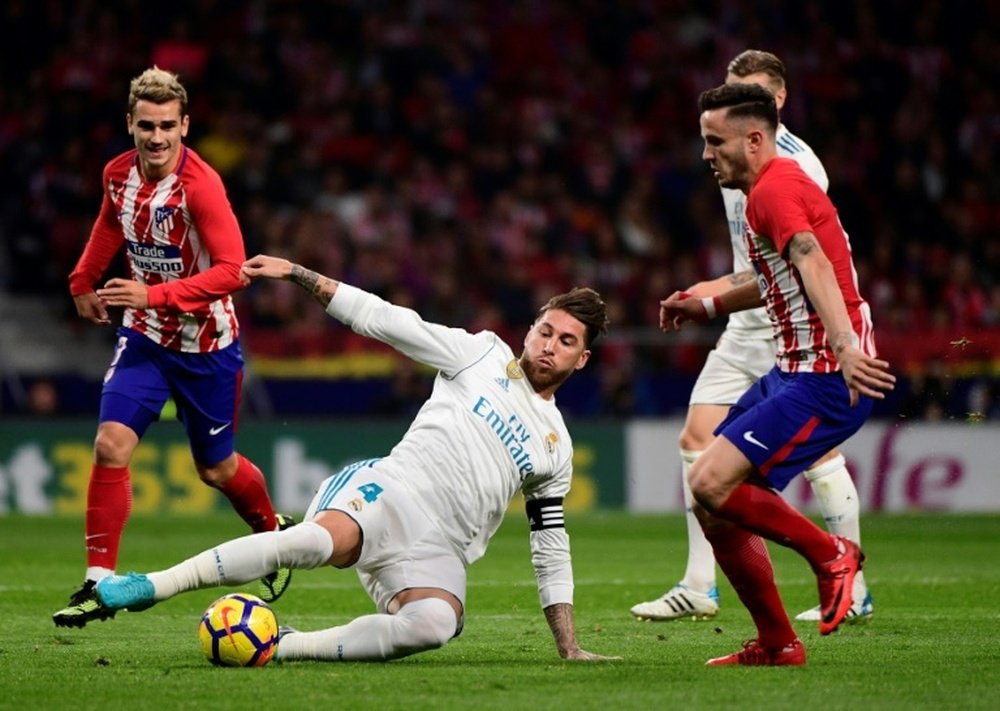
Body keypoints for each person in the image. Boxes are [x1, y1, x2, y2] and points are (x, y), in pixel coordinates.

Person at [95, 254, 617, 663]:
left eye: (566, 341)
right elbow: (386, 320)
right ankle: (151, 585)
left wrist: (568, 645)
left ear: (582, 358)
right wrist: (299, 274)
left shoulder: (557, 445)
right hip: (389, 492)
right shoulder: (480, 353)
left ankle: (285, 646)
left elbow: (550, 546)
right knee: (312, 542)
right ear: (530, 329)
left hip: (440, 550)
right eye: (545, 331)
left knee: (434, 626)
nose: (550, 346)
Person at [630, 50, 874, 625]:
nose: (706, 153)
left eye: (715, 142)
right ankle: (759, 626)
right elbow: (763, 268)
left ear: (762, 124)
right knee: (705, 471)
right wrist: (708, 300)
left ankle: (840, 566)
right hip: (773, 338)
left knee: (731, 476)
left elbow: (809, 258)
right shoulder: (747, 170)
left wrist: (844, 346)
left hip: (807, 346)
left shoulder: (783, 178)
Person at [54, 68, 292, 628]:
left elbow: (235, 272)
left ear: (184, 126)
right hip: (144, 338)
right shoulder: (117, 174)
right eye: (145, 126)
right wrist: (83, 280)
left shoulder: (201, 185)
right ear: (130, 125)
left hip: (209, 346)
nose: (156, 137)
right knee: (110, 445)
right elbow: (111, 224)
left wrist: (152, 292)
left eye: (167, 126)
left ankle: (274, 537)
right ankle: (98, 581)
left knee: (216, 469)